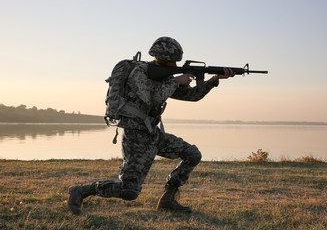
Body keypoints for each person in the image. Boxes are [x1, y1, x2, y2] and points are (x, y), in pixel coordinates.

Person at [67, 37, 235, 214]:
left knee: (192, 154)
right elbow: (152, 96)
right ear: (161, 58)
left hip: (153, 134)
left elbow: (192, 96)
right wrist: (176, 81)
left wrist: (214, 79)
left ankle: (167, 199)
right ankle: (80, 191)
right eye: (173, 61)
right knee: (129, 191)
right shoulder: (139, 73)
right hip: (136, 136)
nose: (175, 64)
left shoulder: (166, 77)